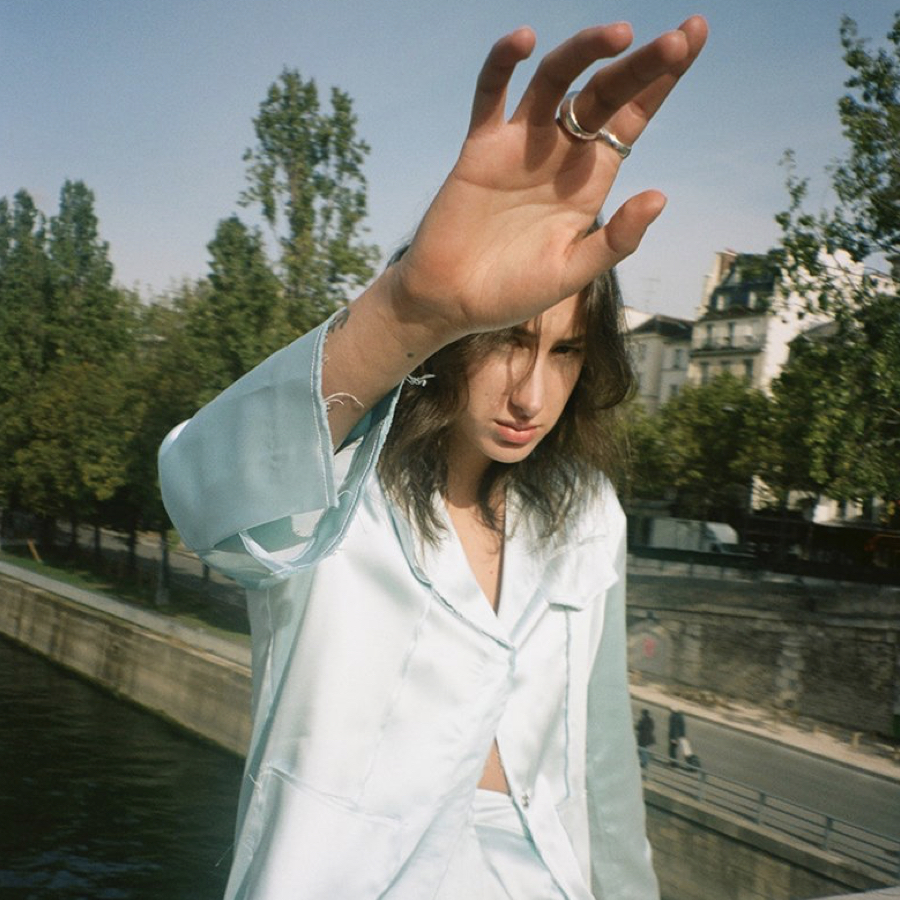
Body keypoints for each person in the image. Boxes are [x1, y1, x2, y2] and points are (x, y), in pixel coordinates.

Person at [159, 15, 708, 900]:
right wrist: (410, 310)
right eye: (506, 341)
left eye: (565, 353)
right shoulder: (334, 485)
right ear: (457, 341)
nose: (532, 394)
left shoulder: (586, 512)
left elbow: (601, 760)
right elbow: (197, 491)